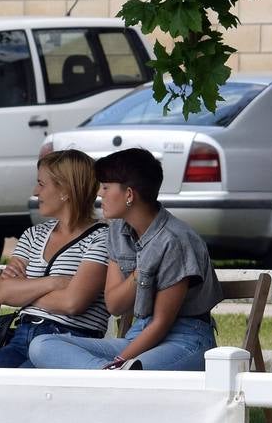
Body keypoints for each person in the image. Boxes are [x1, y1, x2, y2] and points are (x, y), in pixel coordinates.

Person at [29, 147, 221, 370]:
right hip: (138, 335)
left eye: (106, 187)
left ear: (129, 194)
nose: (100, 193)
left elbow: (161, 323)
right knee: (42, 345)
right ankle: (108, 374)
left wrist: (120, 362)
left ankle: (112, 374)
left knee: (134, 370)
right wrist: (141, 270)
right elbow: (115, 305)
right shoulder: (117, 231)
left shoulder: (174, 241)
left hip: (185, 338)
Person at [0, 149, 109, 368]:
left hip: (68, 342)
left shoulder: (102, 238)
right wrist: (56, 282)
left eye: (42, 184)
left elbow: (72, 303)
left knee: (21, 391)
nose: (35, 191)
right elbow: (4, 293)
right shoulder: (34, 234)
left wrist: (25, 289)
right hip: (22, 336)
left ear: (65, 190)